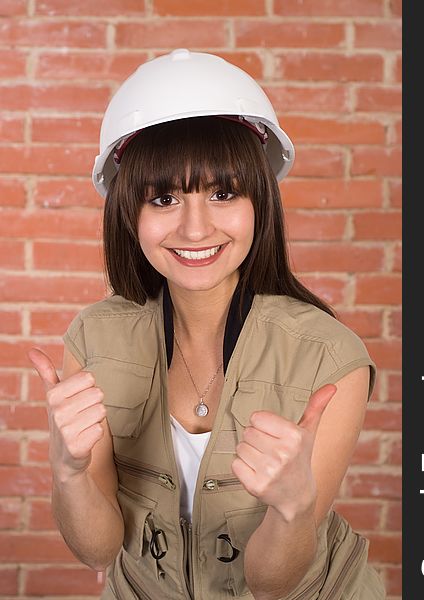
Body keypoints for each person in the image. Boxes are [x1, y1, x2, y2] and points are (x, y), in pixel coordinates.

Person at [28, 49, 386, 600]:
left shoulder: (328, 356)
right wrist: (69, 472)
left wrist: (293, 509)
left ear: (259, 203)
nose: (195, 228)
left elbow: (273, 584)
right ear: (130, 213)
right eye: (164, 197)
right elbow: (98, 551)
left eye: (223, 194)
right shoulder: (94, 340)